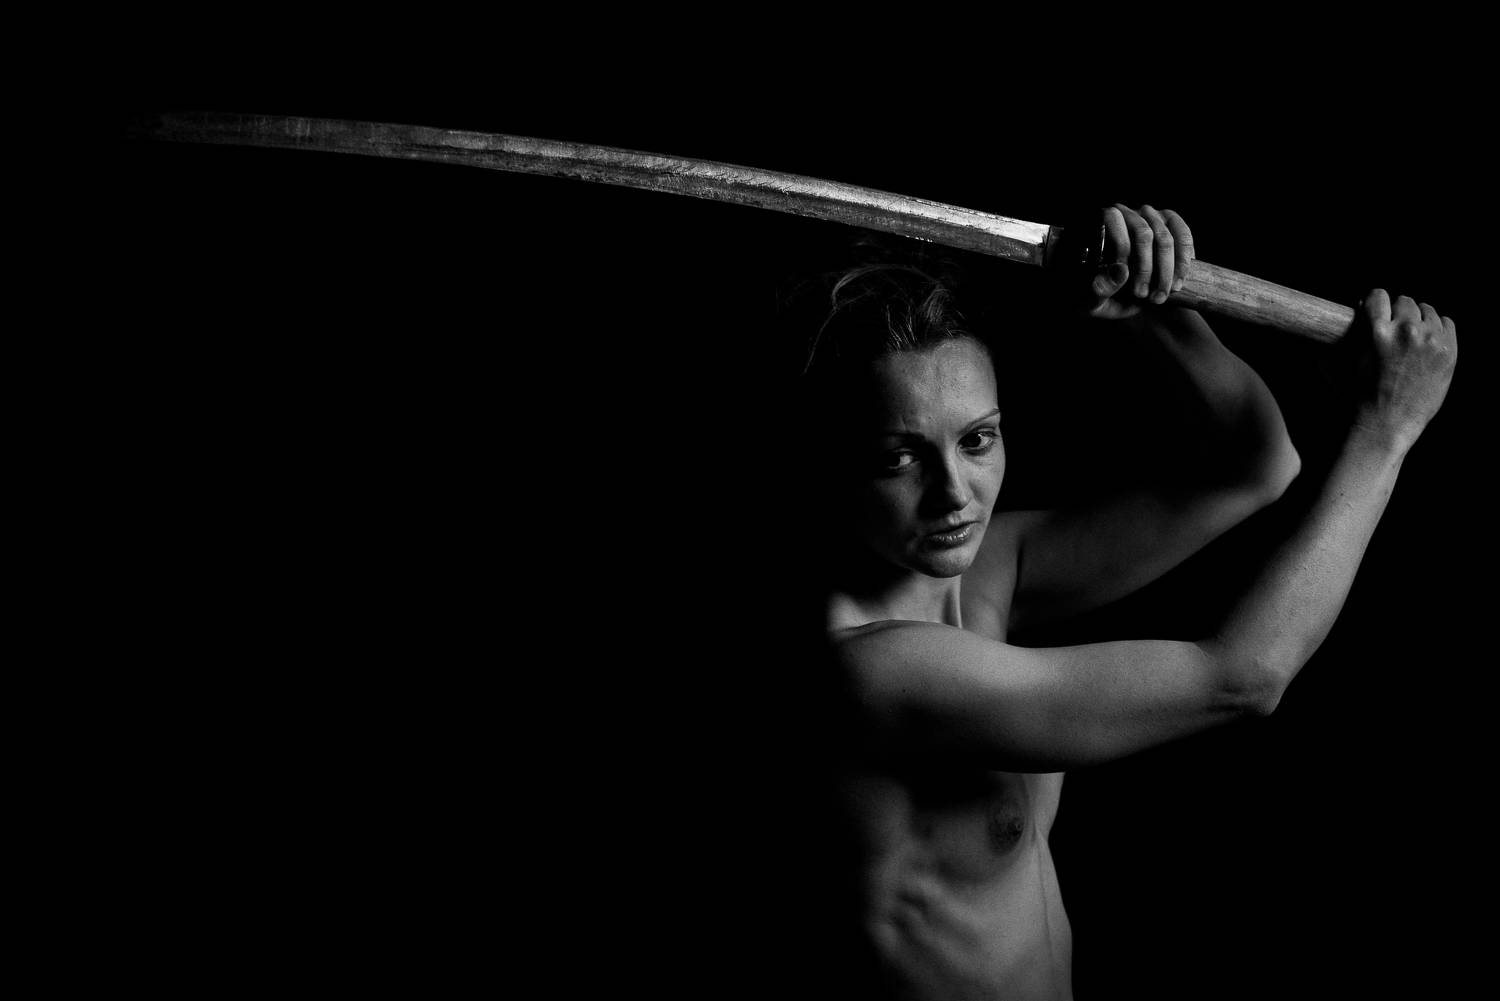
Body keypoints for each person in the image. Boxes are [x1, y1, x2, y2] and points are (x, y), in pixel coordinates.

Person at [798, 204, 1457, 999]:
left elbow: (1255, 466)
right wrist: (1387, 428)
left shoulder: (989, 570)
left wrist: (1152, 305)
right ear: (829, 466)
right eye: (899, 458)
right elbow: (1244, 676)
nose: (954, 493)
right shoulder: (869, 669)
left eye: (977, 439)